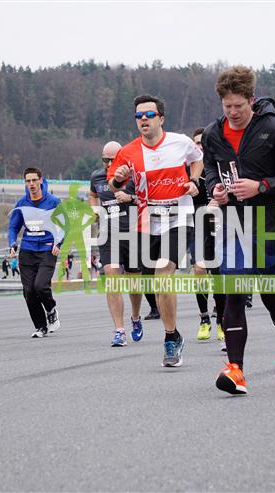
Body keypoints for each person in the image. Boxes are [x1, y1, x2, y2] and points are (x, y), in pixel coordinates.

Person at [202, 66, 275, 394]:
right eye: (227, 106)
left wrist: (261, 186)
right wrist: (214, 188)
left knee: (270, 294)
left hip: (272, 223)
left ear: (252, 100)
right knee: (234, 291)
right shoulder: (213, 133)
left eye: (239, 106)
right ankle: (236, 370)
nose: (233, 113)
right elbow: (210, 168)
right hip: (234, 223)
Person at [107, 94, 203, 367]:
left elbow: (198, 159)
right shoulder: (128, 152)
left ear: (161, 118)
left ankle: (170, 339)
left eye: (149, 115)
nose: (143, 119)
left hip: (179, 217)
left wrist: (194, 180)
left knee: (163, 274)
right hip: (147, 222)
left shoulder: (180, 142)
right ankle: (174, 333)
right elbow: (113, 185)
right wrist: (119, 179)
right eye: (138, 116)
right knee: (155, 282)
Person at [89, 140, 143, 347]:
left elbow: (147, 199)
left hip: (133, 232)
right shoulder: (96, 177)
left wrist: (130, 198)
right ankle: (119, 330)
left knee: (134, 282)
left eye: (114, 159)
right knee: (112, 278)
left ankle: (135, 317)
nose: (110, 164)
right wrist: (94, 210)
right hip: (108, 234)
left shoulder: (134, 175)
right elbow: (93, 194)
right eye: (106, 160)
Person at [8, 167, 63, 338]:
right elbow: (13, 227)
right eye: (28, 181)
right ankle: (40, 327)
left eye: (34, 180)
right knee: (29, 291)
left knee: (40, 286)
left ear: (40, 180)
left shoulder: (53, 202)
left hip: (47, 249)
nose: (31, 184)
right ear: (25, 183)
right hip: (27, 250)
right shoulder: (22, 203)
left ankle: (51, 309)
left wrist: (58, 242)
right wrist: (12, 243)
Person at [190, 127, 226, 347]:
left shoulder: (218, 166)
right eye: (196, 143)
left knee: (218, 273)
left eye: (203, 143)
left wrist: (218, 199)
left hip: (218, 222)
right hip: (197, 222)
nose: (200, 147)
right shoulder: (189, 169)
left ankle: (221, 320)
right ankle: (204, 318)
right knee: (199, 269)